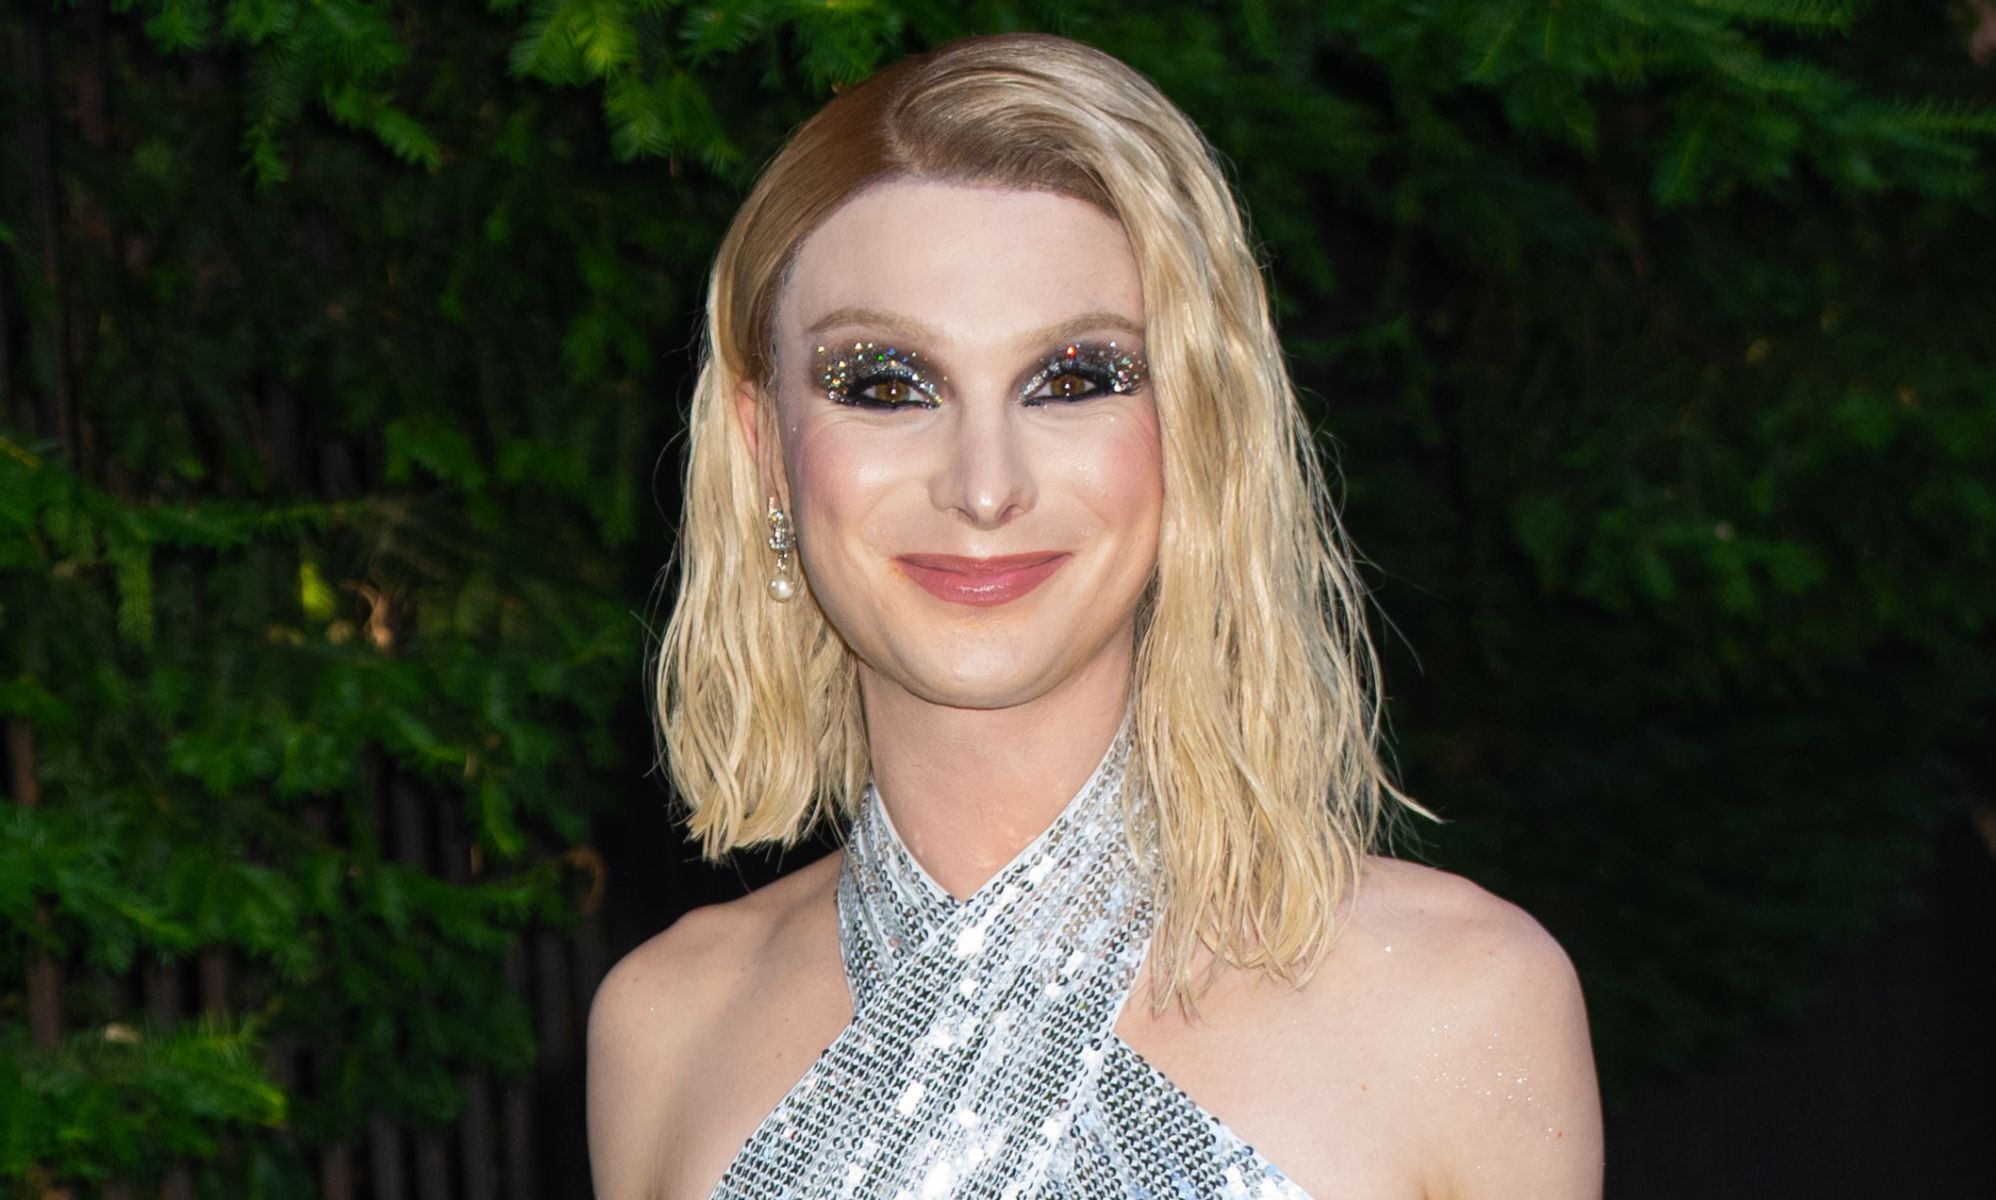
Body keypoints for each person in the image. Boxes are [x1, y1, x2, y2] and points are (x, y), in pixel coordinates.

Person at [588, 31, 1603, 1200]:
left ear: (1196, 433)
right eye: (884, 383)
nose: (983, 485)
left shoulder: (1460, 1003)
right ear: (767, 449)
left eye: (1075, 380)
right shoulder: (662, 1030)